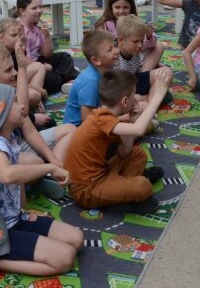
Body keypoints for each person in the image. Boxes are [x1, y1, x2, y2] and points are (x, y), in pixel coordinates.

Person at [0, 84, 83, 285]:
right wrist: (49, 168)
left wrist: (24, 211)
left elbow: (15, 182)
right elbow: (6, 174)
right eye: (15, 103)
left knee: (77, 239)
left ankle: (15, 245)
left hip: (15, 218)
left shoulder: (8, 138)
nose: (22, 106)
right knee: (65, 258)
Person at [64, 69, 171, 215]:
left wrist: (134, 120)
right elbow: (139, 130)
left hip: (101, 173)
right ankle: (123, 197)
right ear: (125, 101)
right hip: (86, 190)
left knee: (137, 153)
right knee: (143, 186)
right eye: (133, 96)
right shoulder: (102, 119)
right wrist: (158, 94)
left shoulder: (106, 117)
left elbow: (123, 152)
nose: (136, 100)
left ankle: (122, 190)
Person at [16, 0, 78, 94]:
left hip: (37, 60)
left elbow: (47, 54)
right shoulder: (18, 28)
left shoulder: (36, 25)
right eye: (34, 8)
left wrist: (47, 36)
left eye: (40, 7)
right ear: (22, 11)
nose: (39, 11)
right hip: (26, 67)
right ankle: (66, 75)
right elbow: (20, 59)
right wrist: (44, 67)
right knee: (51, 79)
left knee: (65, 57)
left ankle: (64, 74)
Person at [94, 0, 164, 70]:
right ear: (111, 7)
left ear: (131, 7)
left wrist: (148, 36)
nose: (121, 11)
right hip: (115, 62)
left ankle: (144, 73)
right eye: (117, 7)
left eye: (125, 7)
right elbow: (99, 49)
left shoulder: (134, 22)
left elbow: (142, 45)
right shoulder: (104, 25)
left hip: (134, 57)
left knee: (159, 45)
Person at [114, 15, 174, 102]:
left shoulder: (134, 50)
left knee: (166, 73)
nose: (140, 45)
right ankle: (149, 100)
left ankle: (148, 99)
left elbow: (137, 72)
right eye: (135, 42)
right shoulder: (113, 55)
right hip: (120, 89)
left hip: (133, 81)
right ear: (120, 40)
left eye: (142, 41)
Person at [64, 30, 118, 126]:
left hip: (96, 116)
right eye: (110, 49)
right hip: (78, 130)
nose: (117, 51)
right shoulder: (90, 81)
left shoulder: (107, 70)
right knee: (127, 127)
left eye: (115, 46)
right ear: (96, 60)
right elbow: (87, 122)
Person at [0, 17, 49, 108]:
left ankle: (34, 100)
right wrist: (41, 90)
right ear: (0, 38)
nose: (18, 38)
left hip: (15, 82)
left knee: (39, 66)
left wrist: (23, 46)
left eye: (19, 35)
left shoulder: (13, 49)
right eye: (13, 35)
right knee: (36, 94)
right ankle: (32, 100)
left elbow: (20, 73)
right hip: (4, 89)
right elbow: (11, 82)